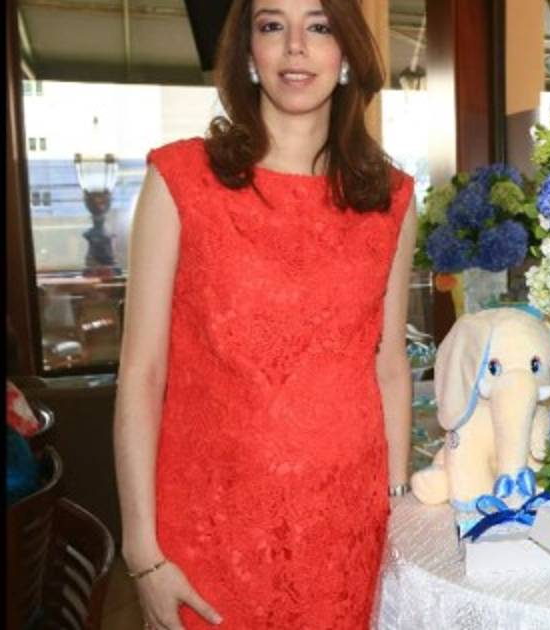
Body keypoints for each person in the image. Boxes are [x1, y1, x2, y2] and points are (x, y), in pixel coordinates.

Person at [113, 0, 416, 627]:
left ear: (347, 53)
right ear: (248, 54)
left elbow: (389, 366)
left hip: (346, 533)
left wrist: (398, 506)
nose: (295, 46)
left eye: (320, 26)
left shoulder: (390, 199)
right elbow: (142, 373)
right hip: (209, 534)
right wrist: (142, 552)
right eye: (273, 26)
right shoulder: (180, 179)